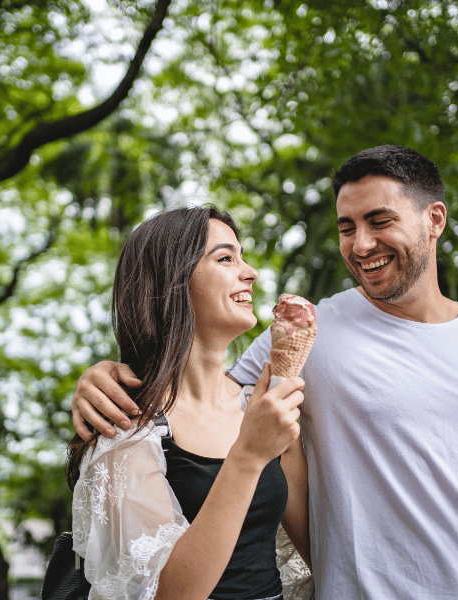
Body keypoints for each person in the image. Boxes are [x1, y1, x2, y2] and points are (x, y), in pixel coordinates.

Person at [72, 145, 458, 599]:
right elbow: (198, 390)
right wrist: (107, 375)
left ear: (435, 219)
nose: (361, 244)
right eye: (347, 228)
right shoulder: (313, 334)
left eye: (379, 222)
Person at [66, 206, 311, 600]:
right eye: (226, 258)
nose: (251, 272)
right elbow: (164, 592)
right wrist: (247, 456)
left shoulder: (260, 408)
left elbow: (318, 551)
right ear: (173, 280)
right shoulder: (126, 422)